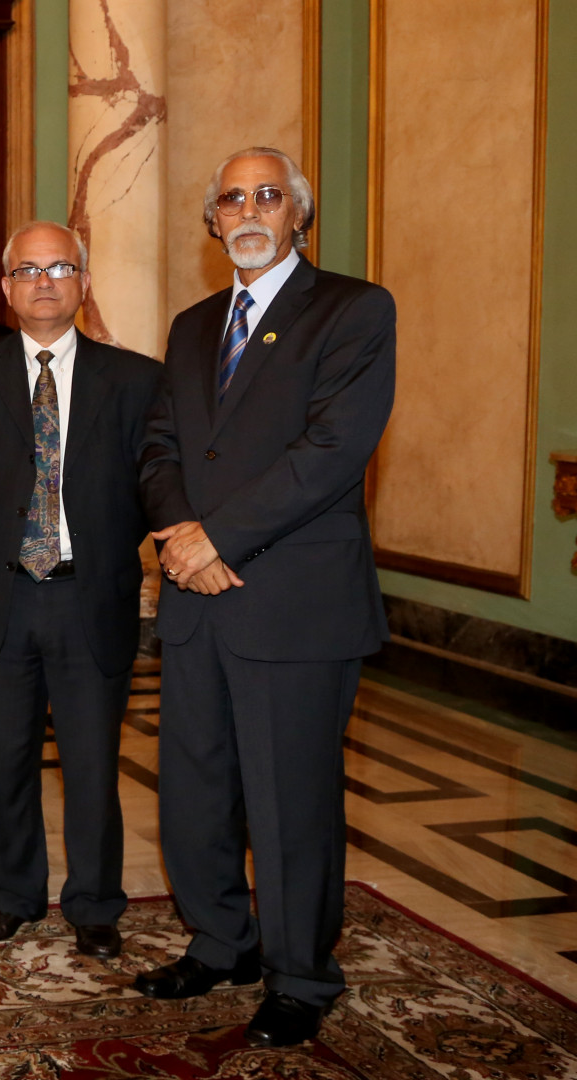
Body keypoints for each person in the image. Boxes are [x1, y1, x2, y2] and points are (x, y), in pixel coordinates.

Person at [135, 147, 395, 1047]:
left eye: (269, 196)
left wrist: (218, 537)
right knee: (195, 788)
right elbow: (160, 448)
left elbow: (333, 450)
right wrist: (181, 536)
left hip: (294, 603)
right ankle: (221, 942)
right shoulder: (192, 326)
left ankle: (300, 974)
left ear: (298, 215)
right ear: (213, 221)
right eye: (232, 198)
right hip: (197, 596)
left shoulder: (354, 310)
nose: (249, 210)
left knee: (291, 802)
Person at [0, 221, 161, 960]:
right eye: (28, 270)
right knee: (2, 756)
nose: (44, 282)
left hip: (88, 594)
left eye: (60, 268)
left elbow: (153, 485)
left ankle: (95, 902)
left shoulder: (134, 380)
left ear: (84, 282)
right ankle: (10, 893)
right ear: (6, 288)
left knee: (92, 761)